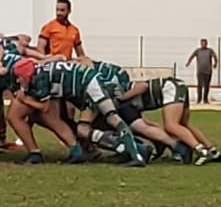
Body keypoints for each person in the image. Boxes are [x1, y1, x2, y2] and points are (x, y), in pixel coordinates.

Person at [14, 59, 147, 167]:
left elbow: (44, 108)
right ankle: (136, 149)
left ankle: (134, 154)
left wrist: (25, 99)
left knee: (112, 120)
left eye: (19, 77)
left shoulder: (39, 78)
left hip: (92, 87)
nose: (18, 81)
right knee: (85, 128)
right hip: (90, 85)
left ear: (26, 74)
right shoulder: (42, 70)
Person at [120, 77, 221, 165]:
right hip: (176, 86)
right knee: (183, 124)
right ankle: (212, 150)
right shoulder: (130, 106)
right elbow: (141, 119)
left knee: (171, 125)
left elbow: (143, 86)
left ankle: (200, 150)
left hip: (170, 88)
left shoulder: (126, 90)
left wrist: (123, 97)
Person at [186, 39, 219, 105]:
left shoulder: (210, 50)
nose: (203, 44)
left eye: (204, 43)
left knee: (207, 86)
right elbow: (192, 56)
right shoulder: (198, 51)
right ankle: (199, 99)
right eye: (202, 43)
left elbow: (215, 57)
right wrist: (188, 62)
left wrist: (215, 63)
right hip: (200, 71)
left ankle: (205, 99)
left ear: (206, 43)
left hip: (208, 71)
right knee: (200, 86)